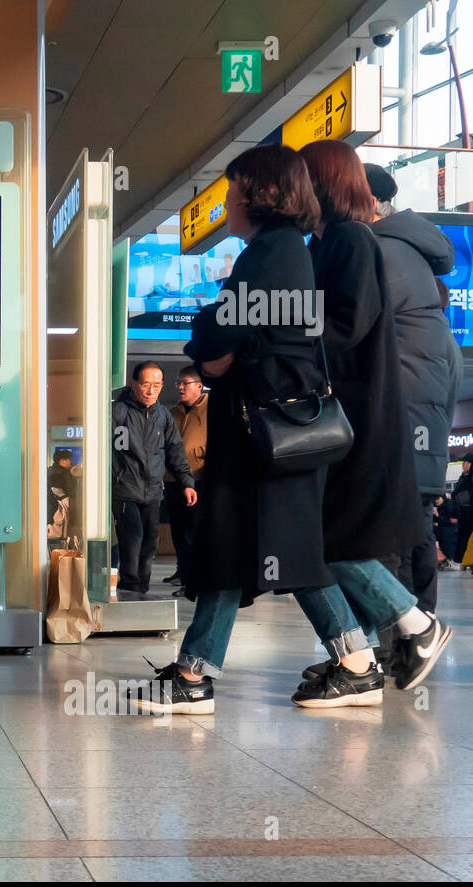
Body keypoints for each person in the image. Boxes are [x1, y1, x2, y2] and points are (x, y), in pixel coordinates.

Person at [132, 144, 384, 713]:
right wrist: (221, 345)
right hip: (265, 432)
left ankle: (353, 664)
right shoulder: (280, 250)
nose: (225, 201)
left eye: (232, 189)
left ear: (259, 192)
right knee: (250, 548)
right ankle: (342, 664)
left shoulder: (272, 252)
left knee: (269, 550)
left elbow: (216, 332)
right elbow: (224, 332)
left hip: (267, 433)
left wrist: (220, 349)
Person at [295, 138, 451, 697]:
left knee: (342, 538)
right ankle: (369, 649)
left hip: (368, 415)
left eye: (301, 179)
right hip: (369, 411)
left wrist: (282, 327)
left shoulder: (359, 244)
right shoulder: (339, 242)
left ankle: (392, 639)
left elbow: (349, 325)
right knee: (334, 538)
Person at [366, 163, 461, 620]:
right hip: (421, 445)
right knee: (411, 540)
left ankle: (410, 633)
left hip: (407, 441)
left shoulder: (383, 252)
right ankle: (412, 631)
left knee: (400, 544)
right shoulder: (438, 331)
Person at [110, 362, 196, 598]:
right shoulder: (117, 411)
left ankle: (141, 588)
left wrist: (187, 482)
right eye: (146, 385)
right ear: (134, 384)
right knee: (133, 538)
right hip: (125, 487)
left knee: (150, 542)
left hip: (153, 490)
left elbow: (175, 451)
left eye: (157, 386)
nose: (151, 391)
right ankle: (130, 586)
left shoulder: (162, 415)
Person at [164, 366, 207, 591]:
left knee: (194, 532)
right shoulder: (173, 412)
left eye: (186, 382)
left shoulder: (212, 409)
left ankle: (193, 580)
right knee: (178, 532)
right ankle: (183, 571)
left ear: (199, 386)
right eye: (178, 383)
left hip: (199, 481)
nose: (180, 387)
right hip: (173, 481)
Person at [453, 455, 473, 566]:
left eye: (464, 462)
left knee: (464, 537)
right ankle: (458, 560)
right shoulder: (464, 476)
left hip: (468, 511)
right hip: (463, 512)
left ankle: (459, 560)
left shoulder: (469, 478)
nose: (462, 464)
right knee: (462, 537)